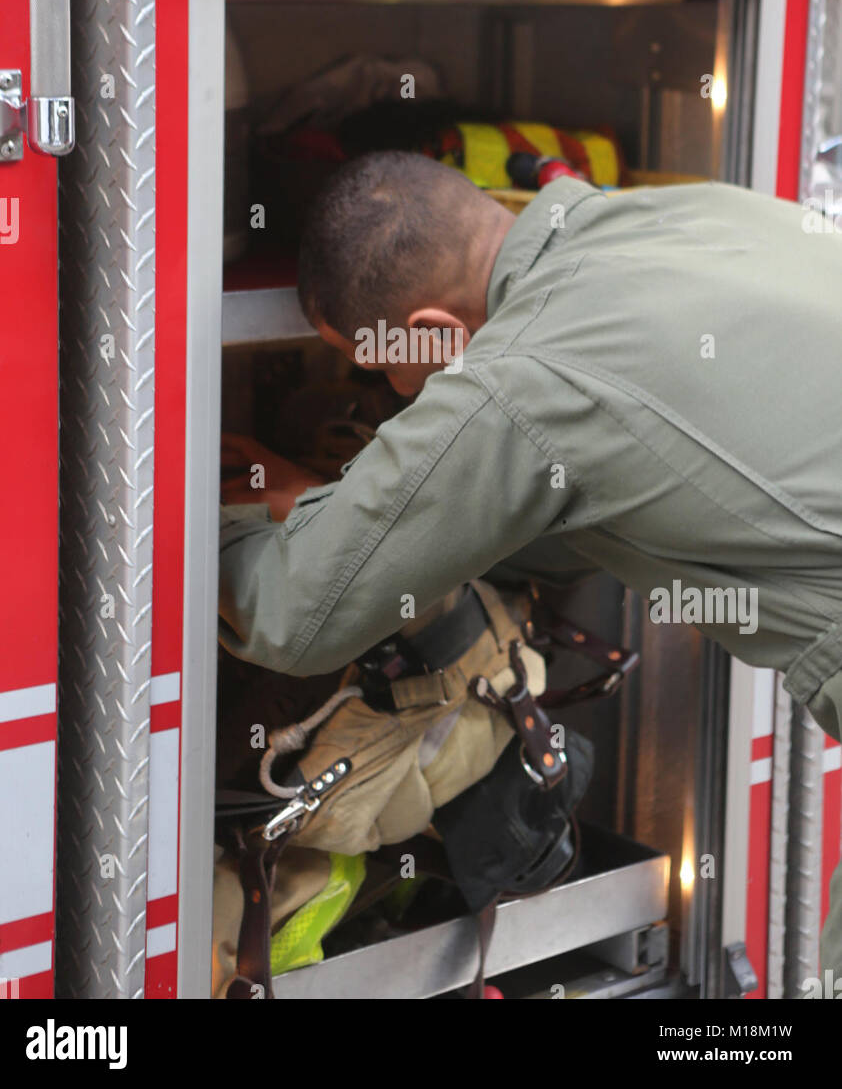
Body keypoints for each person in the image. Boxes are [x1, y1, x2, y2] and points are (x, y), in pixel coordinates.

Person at [218, 150, 842, 983]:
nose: (394, 389)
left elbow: (292, 612)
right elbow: (563, 514)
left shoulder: (525, 375)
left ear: (438, 332)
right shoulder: (687, 211)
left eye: (381, 365)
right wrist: (335, 500)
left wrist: (197, 514)